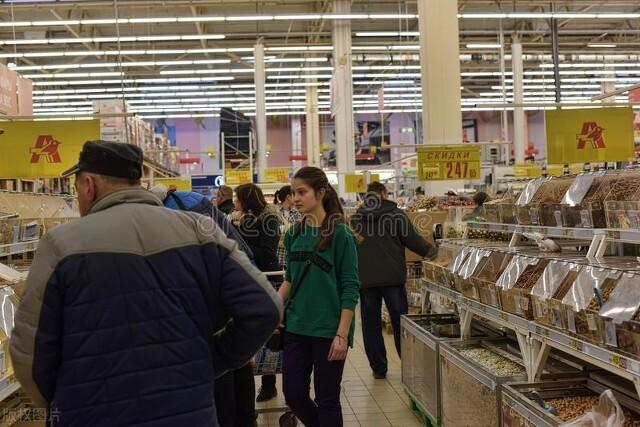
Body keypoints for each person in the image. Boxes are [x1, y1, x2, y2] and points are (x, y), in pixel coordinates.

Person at [10, 140, 282, 426]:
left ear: (88, 184)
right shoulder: (200, 231)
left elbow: (29, 351)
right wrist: (212, 361)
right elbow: (264, 308)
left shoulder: (60, 245)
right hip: (189, 413)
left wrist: (67, 400)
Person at [149, 184, 257, 427]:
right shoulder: (196, 201)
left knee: (220, 377)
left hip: (209, 305)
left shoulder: (168, 216)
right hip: (232, 295)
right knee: (238, 366)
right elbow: (241, 251)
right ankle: (247, 420)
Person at [278, 166, 360, 427]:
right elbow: (289, 280)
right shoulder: (293, 234)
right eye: (293, 193)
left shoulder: (341, 235)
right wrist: (273, 310)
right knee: (294, 394)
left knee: (327, 399)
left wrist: (342, 334)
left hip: (329, 330)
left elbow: (350, 287)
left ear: (321, 193)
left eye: (302, 192)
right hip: (296, 327)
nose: (296, 198)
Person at [350, 181, 436, 379]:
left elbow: (352, 246)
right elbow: (413, 241)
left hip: (366, 279)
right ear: (383, 193)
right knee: (400, 322)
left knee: (370, 324)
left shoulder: (356, 218)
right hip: (392, 278)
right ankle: (408, 364)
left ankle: (378, 368)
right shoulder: (396, 215)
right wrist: (434, 253)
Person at [233, 183, 283, 404]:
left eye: (238, 198)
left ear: (246, 199)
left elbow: (268, 253)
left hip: (269, 279)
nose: (235, 202)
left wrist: (239, 246)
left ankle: (269, 384)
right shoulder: (246, 218)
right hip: (251, 279)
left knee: (270, 334)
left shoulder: (269, 219)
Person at [273, 185, 303, 268]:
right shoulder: (275, 212)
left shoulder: (297, 213)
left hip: (294, 256)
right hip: (278, 256)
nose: (297, 198)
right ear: (288, 197)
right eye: (294, 194)